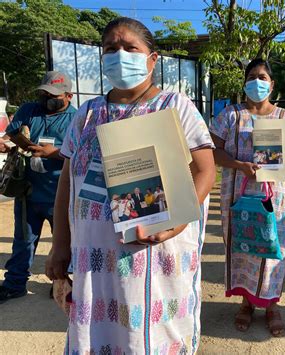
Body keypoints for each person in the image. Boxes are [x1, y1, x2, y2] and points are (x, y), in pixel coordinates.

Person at [45, 17, 216, 354]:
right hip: (94, 261)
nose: (119, 54)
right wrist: (59, 245)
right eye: (111, 48)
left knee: (150, 335)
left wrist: (176, 221)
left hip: (153, 251)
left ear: (152, 59)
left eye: (130, 48)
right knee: (98, 335)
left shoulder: (175, 107)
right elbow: (68, 182)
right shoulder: (88, 114)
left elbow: (205, 170)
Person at [209, 58, 285, 337]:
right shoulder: (230, 115)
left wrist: (280, 162)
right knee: (243, 248)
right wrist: (240, 166)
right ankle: (246, 303)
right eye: (252, 76)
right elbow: (211, 151)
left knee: (274, 249)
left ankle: (272, 305)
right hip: (237, 194)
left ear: (272, 84)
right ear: (245, 82)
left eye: (263, 77)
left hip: (276, 197)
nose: (257, 82)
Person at [0, 71, 76, 303]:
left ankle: (61, 284)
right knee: (23, 241)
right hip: (29, 191)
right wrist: (10, 144)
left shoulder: (78, 118)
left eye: (52, 95)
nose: (46, 100)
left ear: (69, 96)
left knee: (64, 243)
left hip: (59, 195)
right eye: (43, 94)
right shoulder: (29, 110)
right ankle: (15, 284)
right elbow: (14, 133)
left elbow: (84, 154)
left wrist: (53, 152)